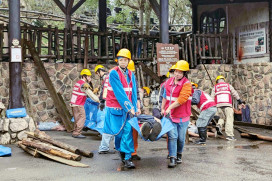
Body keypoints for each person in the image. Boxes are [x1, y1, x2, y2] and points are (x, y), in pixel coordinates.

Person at [103, 48, 138, 169]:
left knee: (127, 132)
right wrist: (129, 107)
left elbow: (133, 92)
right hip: (117, 109)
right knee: (118, 133)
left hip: (128, 110)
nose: (123, 62)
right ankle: (121, 151)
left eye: (125, 60)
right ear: (117, 60)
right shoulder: (113, 73)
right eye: (121, 60)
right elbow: (119, 93)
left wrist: (135, 106)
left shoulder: (131, 74)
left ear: (128, 61)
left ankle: (127, 158)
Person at [161, 60, 192, 168]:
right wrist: (162, 108)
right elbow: (165, 96)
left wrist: (169, 107)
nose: (177, 74)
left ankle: (179, 154)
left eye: (180, 72)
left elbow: (181, 99)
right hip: (170, 116)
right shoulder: (168, 82)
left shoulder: (187, 85)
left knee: (181, 138)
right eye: (176, 71)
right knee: (172, 136)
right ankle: (172, 158)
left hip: (183, 116)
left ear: (184, 74)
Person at [211, 75, 243, 141]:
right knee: (229, 119)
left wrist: (213, 106)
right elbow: (234, 93)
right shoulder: (228, 85)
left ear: (217, 81)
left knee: (221, 118)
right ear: (223, 80)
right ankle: (230, 135)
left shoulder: (215, 87)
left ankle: (219, 125)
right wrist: (239, 100)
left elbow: (212, 97)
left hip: (219, 106)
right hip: (227, 105)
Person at [70, 69, 99, 138]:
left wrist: (93, 92)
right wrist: (98, 100)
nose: (90, 78)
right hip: (79, 104)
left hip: (74, 103)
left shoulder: (78, 82)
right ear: (84, 76)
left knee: (77, 118)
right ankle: (77, 133)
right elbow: (90, 95)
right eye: (88, 76)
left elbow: (84, 92)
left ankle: (75, 131)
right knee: (82, 117)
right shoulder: (84, 84)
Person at [94, 65, 116, 154]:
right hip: (111, 104)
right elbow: (105, 91)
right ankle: (105, 147)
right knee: (112, 125)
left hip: (109, 103)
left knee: (112, 125)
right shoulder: (109, 77)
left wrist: (102, 101)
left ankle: (110, 146)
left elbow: (104, 91)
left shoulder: (107, 78)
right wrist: (102, 100)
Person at [127, 60, 142, 160]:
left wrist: (138, 107)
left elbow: (136, 94)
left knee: (134, 130)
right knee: (126, 131)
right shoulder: (118, 78)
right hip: (124, 108)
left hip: (133, 108)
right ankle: (126, 153)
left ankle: (133, 152)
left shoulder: (133, 79)